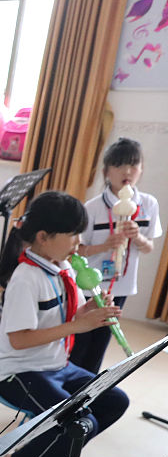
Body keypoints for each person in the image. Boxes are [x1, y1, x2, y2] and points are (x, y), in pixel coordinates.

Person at [0, 191, 129, 457]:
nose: (79, 240)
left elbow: (62, 317)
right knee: (77, 423)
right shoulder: (25, 278)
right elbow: (20, 339)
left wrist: (88, 311)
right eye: (73, 233)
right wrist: (78, 326)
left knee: (114, 402)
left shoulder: (65, 268)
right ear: (43, 237)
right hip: (17, 372)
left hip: (56, 366)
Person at [72, 137, 162, 373]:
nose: (127, 171)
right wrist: (104, 246)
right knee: (80, 341)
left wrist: (137, 237)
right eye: (120, 165)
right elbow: (75, 250)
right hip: (89, 285)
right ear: (106, 171)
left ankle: (88, 391)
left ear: (141, 170)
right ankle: (66, 394)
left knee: (101, 341)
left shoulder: (148, 204)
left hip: (121, 285)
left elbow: (148, 247)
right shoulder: (92, 207)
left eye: (134, 165)